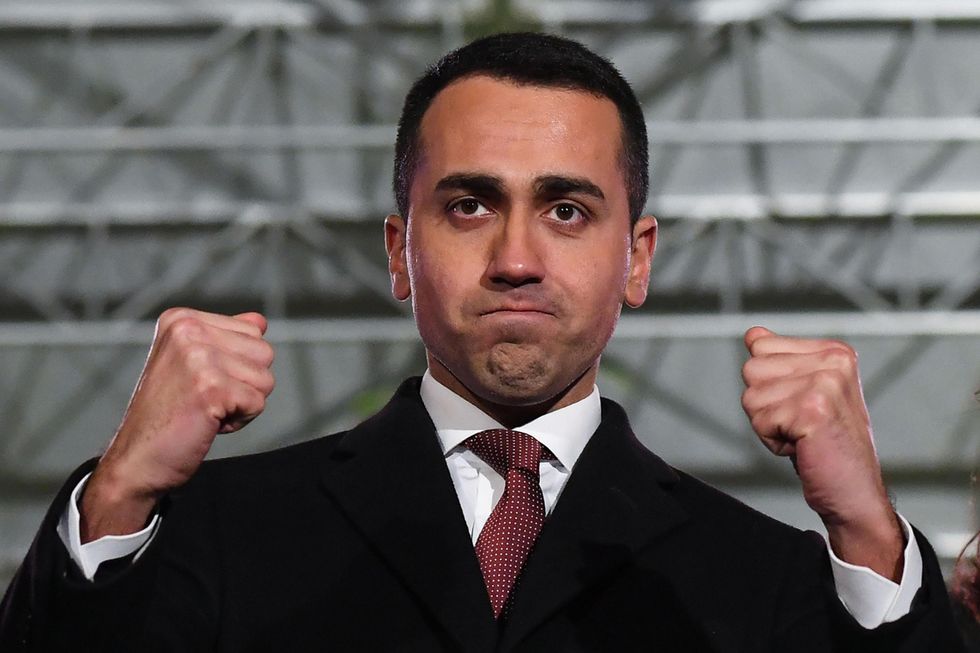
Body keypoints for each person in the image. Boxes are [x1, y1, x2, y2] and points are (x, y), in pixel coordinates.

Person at [0, 32, 964, 652]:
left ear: (637, 259)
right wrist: (121, 488)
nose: (516, 259)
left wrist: (869, 534)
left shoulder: (773, 578)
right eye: (469, 205)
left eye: (567, 209)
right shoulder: (214, 534)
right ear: (399, 251)